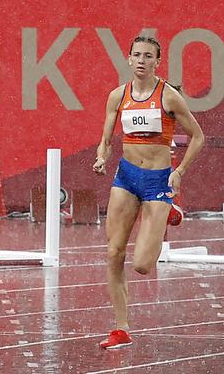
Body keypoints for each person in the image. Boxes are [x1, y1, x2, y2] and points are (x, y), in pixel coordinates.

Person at [92, 36, 204, 349]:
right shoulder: (118, 96)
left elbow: (198, 137)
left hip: (158, 181)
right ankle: (121, 329)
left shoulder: (168, 97)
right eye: (137, 55)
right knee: (114, 252)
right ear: (128, 59)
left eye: (148, 56)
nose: (141, 60)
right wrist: (102, 157)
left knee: (142, 265)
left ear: (157, 62)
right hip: (126, 178)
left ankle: (171, 208)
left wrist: (179, 172)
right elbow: (106, 139)